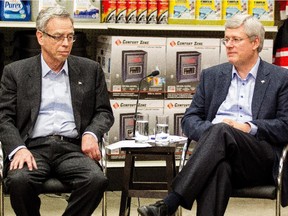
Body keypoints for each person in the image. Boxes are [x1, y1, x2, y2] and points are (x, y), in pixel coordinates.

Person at [137, 14, 288, 216]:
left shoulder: (280, 78)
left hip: (258, 158)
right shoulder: (213, 76)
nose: (229, 45)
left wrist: (248, 127)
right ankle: (168, 205)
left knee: (223, 131)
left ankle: (170, 202)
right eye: (226, 39)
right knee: (219, 168)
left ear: (255, 43)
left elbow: (285, 126)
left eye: (236, 39)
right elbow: (190, 119)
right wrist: (214, 133)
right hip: (217, 154)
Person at [0, 6, 114, 216]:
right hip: (32, 147)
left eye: (70, 37)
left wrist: (91, 134)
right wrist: (17, 148)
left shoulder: (90, 70)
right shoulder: (15, 72)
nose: (66, 43)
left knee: (96, 180)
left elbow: (104, 112)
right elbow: (3, 118)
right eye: (59, 37)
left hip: (72, 148)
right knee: (19, 181)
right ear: (40, 37)